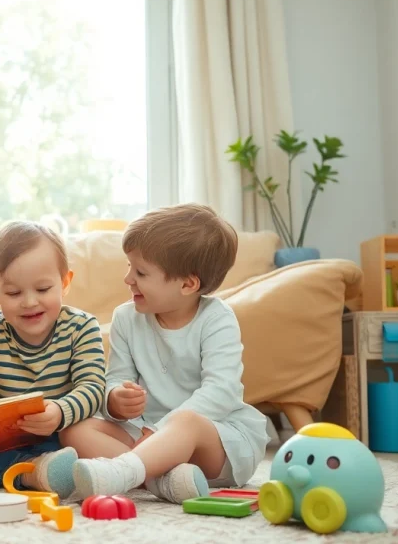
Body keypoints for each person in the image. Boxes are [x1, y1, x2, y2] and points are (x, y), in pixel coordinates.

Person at [70, 203, 269, 504]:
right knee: (75, 429)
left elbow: (221, 391)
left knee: (186, 422)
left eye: (141, 272)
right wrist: (116, 399)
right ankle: (162, 481)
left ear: (188, 284)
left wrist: (162, 429)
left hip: (213, 440)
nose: (128, 279)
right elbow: (116, 377)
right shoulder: (126, 318)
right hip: (145, 433)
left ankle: (125, 472)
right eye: (129, 267)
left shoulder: (217, 318)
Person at [0, 221, 107, 498]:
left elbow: (93, 387)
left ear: (64, 283)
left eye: (42, 289)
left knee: (84, 436)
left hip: (59, 434)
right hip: (4, 441)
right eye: (14, 293)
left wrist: (60, 412)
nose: (29, 302)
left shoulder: (82, 327)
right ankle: (32, 471)